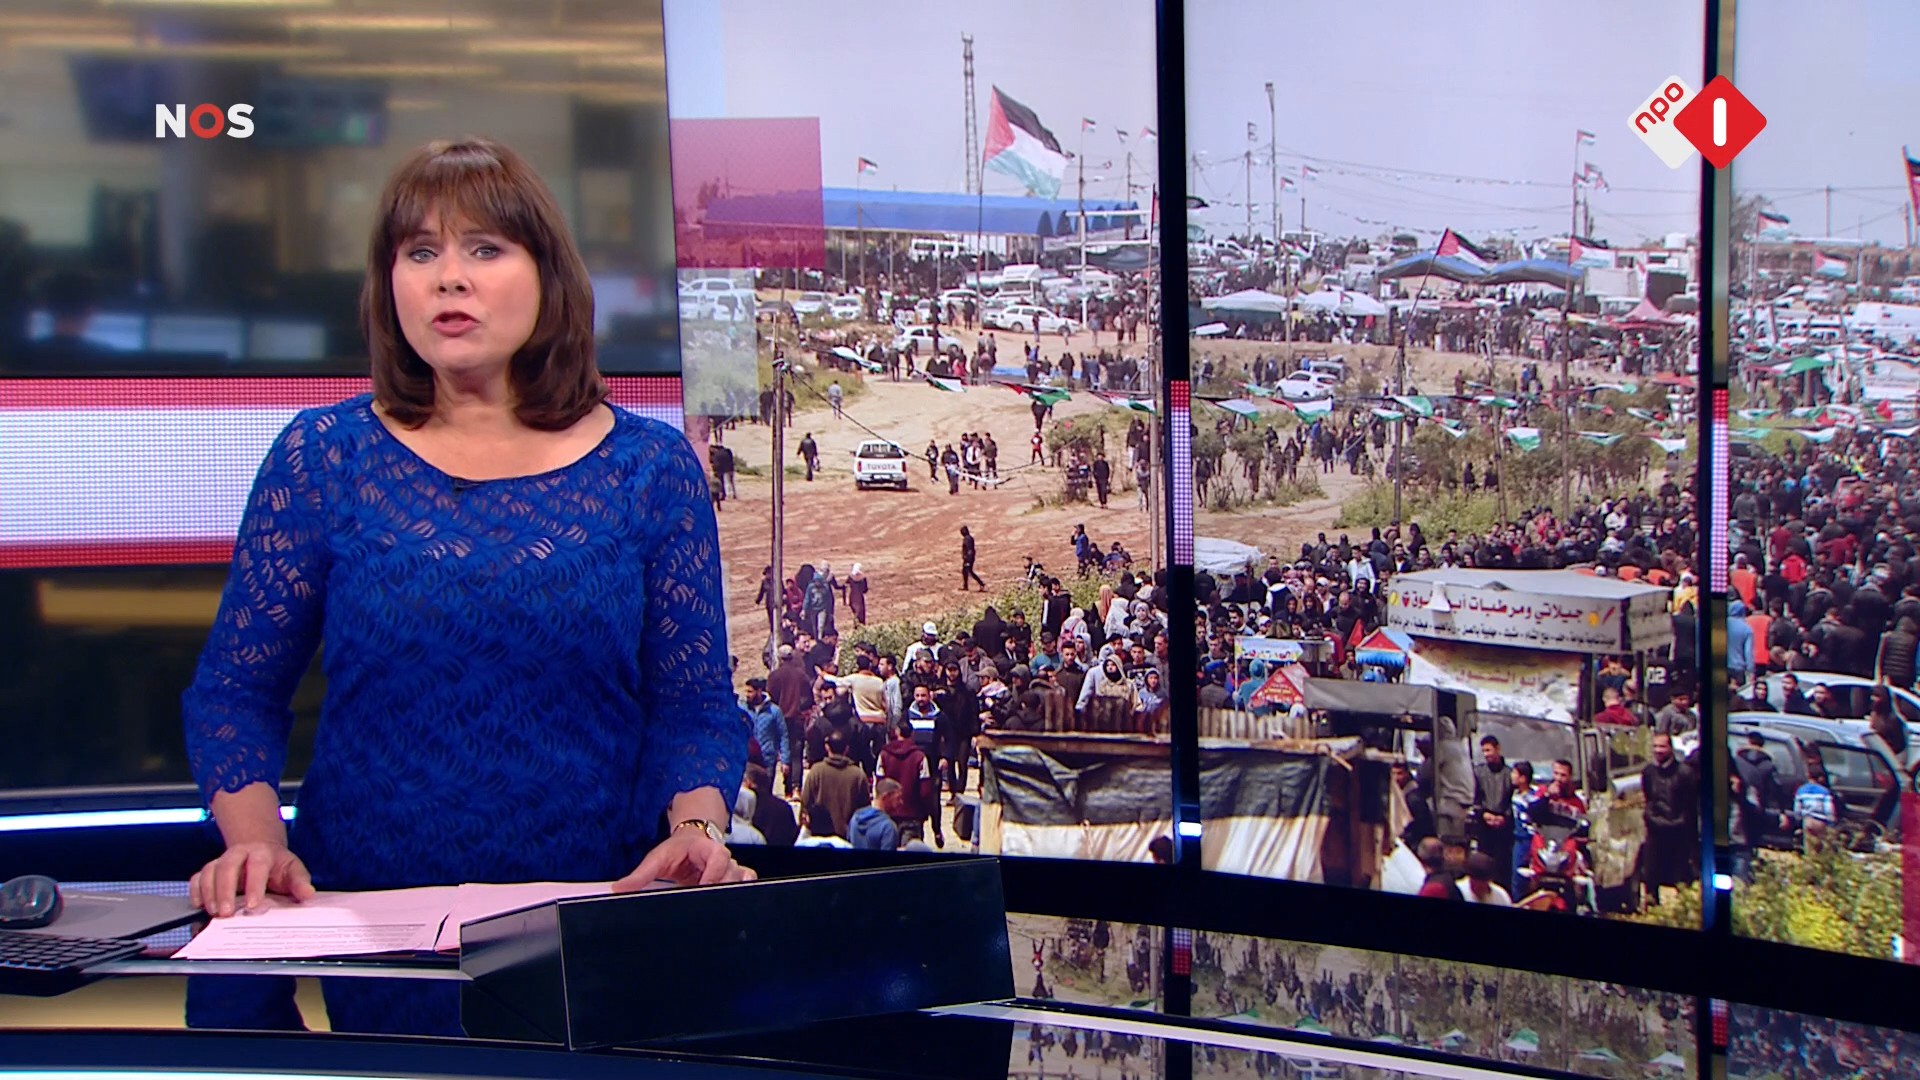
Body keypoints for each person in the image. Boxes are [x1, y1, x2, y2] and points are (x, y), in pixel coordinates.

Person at [178, 139, 748, 1038]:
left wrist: (699, 831)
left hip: (593, 923)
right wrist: (256, 843)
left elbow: (695, 709)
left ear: (547, 274)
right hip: (371, 929)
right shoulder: (324, 459)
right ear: (389, 284)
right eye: (420, 252)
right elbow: (235, 694)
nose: (450, 277)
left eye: (485, 248)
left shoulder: (650, 470)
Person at [1639, 733, 1699, 904]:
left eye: (1662, 746)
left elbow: (1691, 804)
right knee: (1651, 873)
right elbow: (1649, 798)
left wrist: (1681, 823)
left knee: (1682, 876)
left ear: (1671, 748)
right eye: (1655, 746)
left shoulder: (1685, 773)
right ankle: (1652, 905)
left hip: (1679, 832)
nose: (1658, 750)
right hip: (1656, 830)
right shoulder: (1648, 772)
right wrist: (1652, 818)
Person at [800, 728, 868, 839]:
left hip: (819, 835)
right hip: (848, 836)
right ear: (847, 749)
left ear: (827, 747)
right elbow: (865, 809)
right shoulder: (858, 775)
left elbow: (806, 803)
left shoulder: (816, 771)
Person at [960, 525, 987, 591]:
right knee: (965, 571)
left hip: (968, 558)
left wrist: (968, 560)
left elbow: (969, 550)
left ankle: (981, 583)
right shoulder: (968, 538)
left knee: (969, 572)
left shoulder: (967, 539)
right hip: (968, 558)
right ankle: (966, 586)